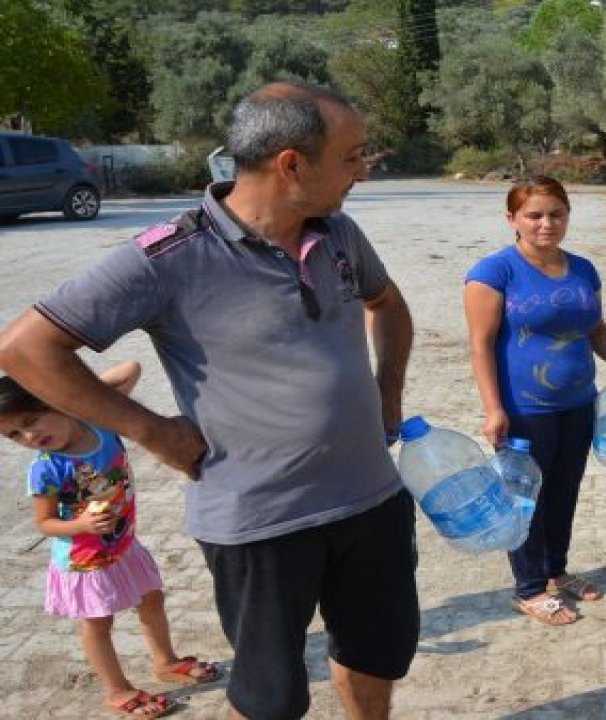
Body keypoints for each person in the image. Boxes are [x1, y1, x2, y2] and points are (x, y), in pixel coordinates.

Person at [0, 82, 418, 720]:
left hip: (368, 500)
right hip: (260, 523)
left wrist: (387, 392)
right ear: (291, 163)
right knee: (269, 698)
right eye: (352, 156)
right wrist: (151, 431)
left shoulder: (339, 233)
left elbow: (386, 304)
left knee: (375, 654)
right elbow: (26, 350)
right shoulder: (168, 256)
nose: (362, 171)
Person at [463, 175, 606, 626]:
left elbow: (596, 330)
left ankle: (556, 571)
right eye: (534, 215)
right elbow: (479, 345)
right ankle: (528, 588)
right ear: (512, 219)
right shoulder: (494, 273)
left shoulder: (584, 269)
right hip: (524, 411)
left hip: (578, 404)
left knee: (564, 490)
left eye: (556, 214)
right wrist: (494, 409)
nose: (546, 224)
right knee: (526, 498)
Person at [0, 362, 218, 719]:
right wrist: (82, 524)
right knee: (99, 623)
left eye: (29, 421)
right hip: (85, 560)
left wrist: (72, 394)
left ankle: (165, 661)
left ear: (51, 399)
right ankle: (116, 690)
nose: (29, 437)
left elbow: (130, 369)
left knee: (152, 599)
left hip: (123, 544)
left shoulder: (99, 422)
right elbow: (45, 523)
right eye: (13, 435)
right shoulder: (47, 467)